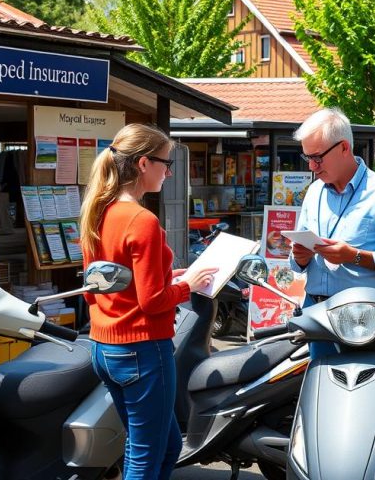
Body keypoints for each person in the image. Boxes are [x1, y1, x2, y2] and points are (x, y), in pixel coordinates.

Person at [79, 123, 218, 480]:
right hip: (142, 349)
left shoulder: (99, 211)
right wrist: (187, 285)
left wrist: (170, 276)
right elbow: (153, 301)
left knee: (165, 445)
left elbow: (105, 281)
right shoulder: (142, 220)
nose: (168, 171)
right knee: (145, 455)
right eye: (165, 163)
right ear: (143, 164)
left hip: (104, 346)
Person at [289, 108, 375, 357]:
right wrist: (300, 258)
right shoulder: (314, 191)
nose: (312, 166)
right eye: (307, 157)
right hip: (317, 316)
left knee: (373, 393)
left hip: (364, 321)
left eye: (317, 157)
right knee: (322, 393)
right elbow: (296, 265)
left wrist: (355, 256)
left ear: (344, 148)